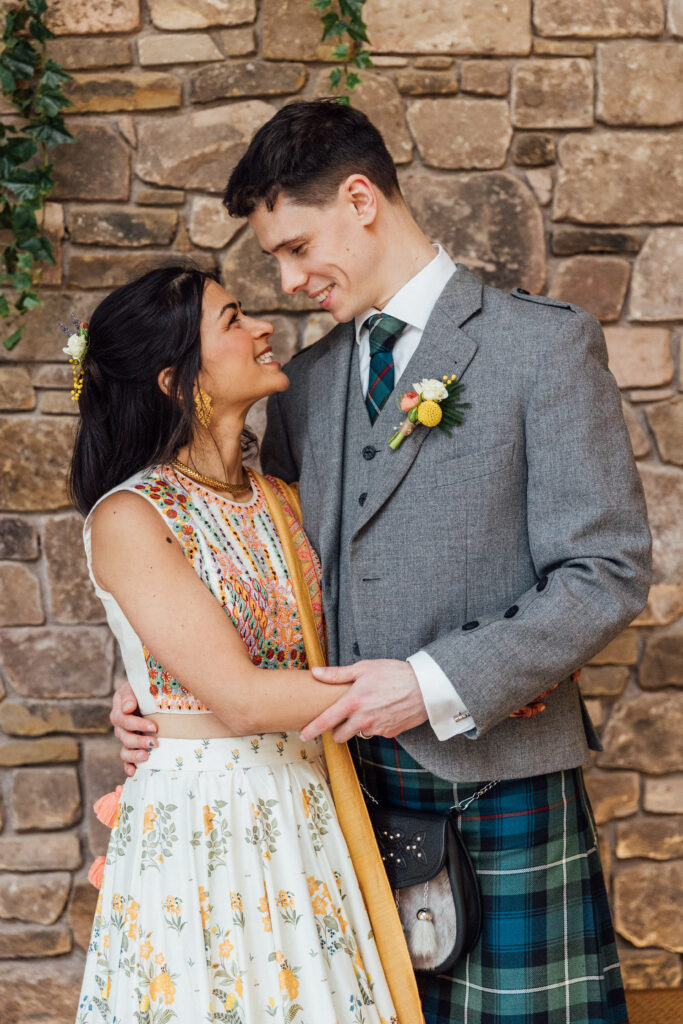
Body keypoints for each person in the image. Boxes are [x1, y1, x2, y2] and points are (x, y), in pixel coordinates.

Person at [113, 101, 651, 1024]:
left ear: (360, 199)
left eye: (293, 246)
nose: (287, 278)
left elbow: (605, 569)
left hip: (498, 775)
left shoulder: (539, 346)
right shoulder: (311, 382)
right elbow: (233, 553)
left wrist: (433, 681)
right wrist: (145, 683)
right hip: (335, 793)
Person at [69, 264, 403, 1023]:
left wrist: (482, 672)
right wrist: (434, 686)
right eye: (232, 320)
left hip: (305, 805)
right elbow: (242, 698)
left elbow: (323, 642)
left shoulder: (281, 499)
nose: (262, 328)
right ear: (175, 380)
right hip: (204, 822)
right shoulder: (131, 516)